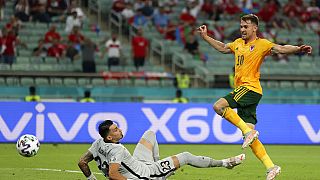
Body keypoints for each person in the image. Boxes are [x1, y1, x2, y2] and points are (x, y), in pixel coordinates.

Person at [197, 14, 312, 180]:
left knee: (218, 106)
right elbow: (223, 48)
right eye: (241, 26)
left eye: (246, 26)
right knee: (249, 136)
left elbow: (280, 48)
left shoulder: (262, 44)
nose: (242, 29)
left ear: (254, 28)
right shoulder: (237, 43)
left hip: (250, 88)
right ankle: (271, 166)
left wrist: (298, 49)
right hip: (246, 91)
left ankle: (247, 132)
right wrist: (206, 37)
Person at [78, 120, 245, 180]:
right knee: (185, 155)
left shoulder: (97, 143)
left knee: (150, 134)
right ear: (109, 138)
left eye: (117, 127)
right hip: (146, 174)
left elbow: (82, 162)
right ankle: (225, 163)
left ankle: (160, 167)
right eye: (115, 130)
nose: (119, 130)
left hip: (139, 164)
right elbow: (114, 175)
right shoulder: (117, 150)